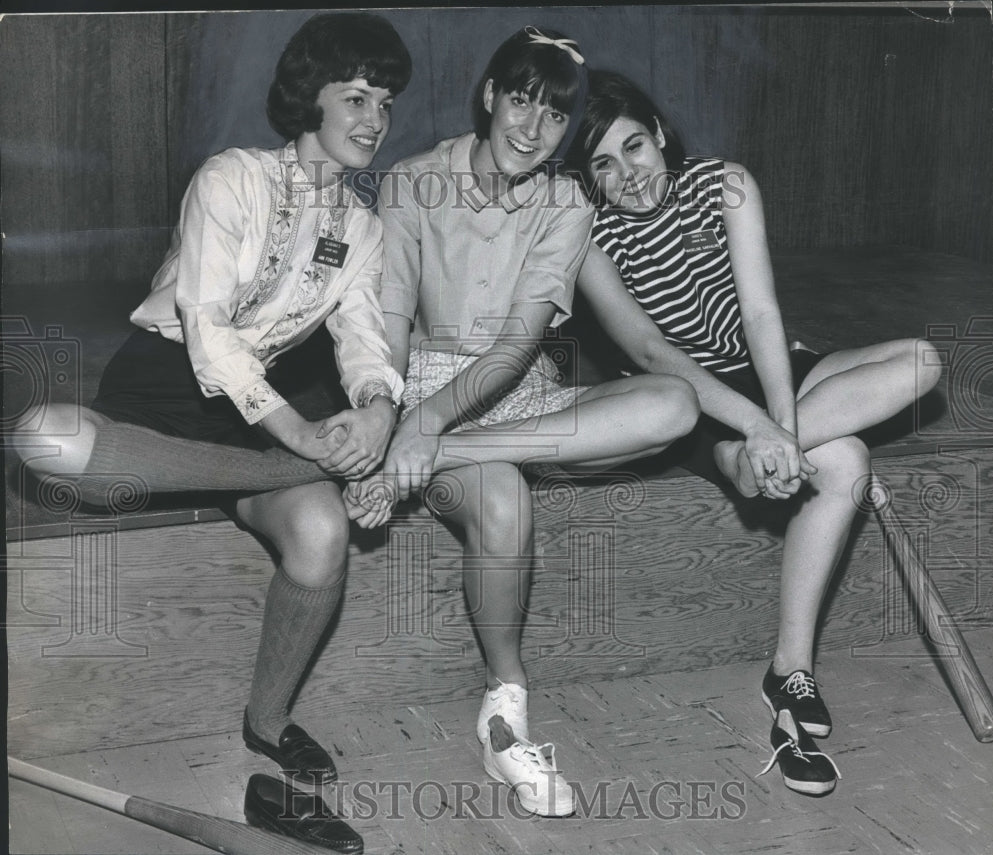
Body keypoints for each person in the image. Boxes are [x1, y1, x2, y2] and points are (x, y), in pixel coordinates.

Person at [11, 12, 412, 785]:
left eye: (387, 102)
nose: (376, 120)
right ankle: (273, 474)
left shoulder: (362, 228)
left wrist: (378, 413)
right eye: (357, 97)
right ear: (313, 101)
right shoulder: (231, 177)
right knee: (42, 437)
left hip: (259, 409)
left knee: (324, 528)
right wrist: (304, 442)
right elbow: (210, 332)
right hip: (165, 387)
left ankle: (269, 721)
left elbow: (365, 343)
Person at [344, 29, 699, 816]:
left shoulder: (567, 201)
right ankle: (506, 705)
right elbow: (388, 322)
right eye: (520, 101)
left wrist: (430, 440)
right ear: (490, 96)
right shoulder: (410, 182)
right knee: (504, 495)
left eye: (554, 116)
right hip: (429, 389)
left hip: (517, 401)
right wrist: (393, 419)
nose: (532, 129)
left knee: (675, 401)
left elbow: (515, 348)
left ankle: (448, 454)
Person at [567, 70, 941, 796]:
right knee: (850, 459)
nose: (628, 175)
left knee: (923, 362)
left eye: (635, 146)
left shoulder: (725, 184)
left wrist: (778, 425)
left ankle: (758, 460)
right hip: (690, 398)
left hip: (773, 375)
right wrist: (752, 426)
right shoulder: (585, 234)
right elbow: (650, 352)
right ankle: (790, 670)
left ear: (661, 133)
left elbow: (764, 315)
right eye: (603, 165)